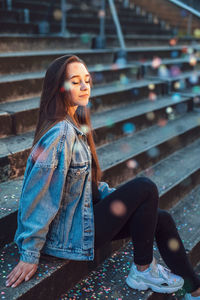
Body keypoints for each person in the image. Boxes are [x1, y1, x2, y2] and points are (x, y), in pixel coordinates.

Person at [5, 55, 200, 299]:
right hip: (67, 237)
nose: (85, 86)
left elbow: (87, 187)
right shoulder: (61, 133)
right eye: (75, 82)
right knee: (145, 187)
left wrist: (125, 202)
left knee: (161, 218)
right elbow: (38, 196)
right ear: (59, 88)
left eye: (87, 80)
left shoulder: (74, 124)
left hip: (77, 221)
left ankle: (195, 290)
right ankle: (142, 270)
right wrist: (29, 254)